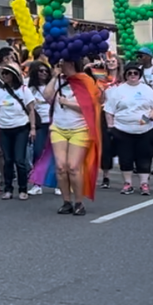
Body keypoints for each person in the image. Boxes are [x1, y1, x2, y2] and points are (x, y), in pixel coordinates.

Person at [41, 57, 102, 216]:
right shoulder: (58, 80)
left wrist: (67, 103)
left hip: (79, 128)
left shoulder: (85, 80)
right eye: (60, 63)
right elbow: (47, 96)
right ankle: (66, 202)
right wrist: (54, 76)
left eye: (65, 62)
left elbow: (90, 107)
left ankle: (79, 202)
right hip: (58, 128)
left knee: (73, 167)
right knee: (61, 167)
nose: (62, 65)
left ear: (73, 63)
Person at [103, 61, 153, 196]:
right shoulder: (118, 91)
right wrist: (110, 127)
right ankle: (127, 184)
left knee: (144, 156)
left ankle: (144, 184)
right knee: (125, 157)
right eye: (129, 73)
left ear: (139, 75)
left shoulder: (147, 89)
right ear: (125, 75)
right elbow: (109, 110)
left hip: (145, 130)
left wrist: (149, 118)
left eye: (135, 73)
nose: (133, 75)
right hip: (122, 130)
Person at [0, 63, 35, 200]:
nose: (4, 76)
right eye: (3, 74)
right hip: (4, 128)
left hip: (21, 127)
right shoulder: (0, 92)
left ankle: (23, 188)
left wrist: (32, 128)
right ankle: (8, 189)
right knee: (7, 160)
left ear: (14, 75)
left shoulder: (24, 90)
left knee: (20, 160)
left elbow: (31, 109)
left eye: (7, 73)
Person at [26, 60, 52, 195]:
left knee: (56, 154)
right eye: (40, 71)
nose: (43, 73)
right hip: (39, 123)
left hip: (54, 122)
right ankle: (37, 183)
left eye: (46, 71)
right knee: (38, 152)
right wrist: (32, 126)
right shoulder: (29, 88)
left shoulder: (53, 85)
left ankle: (59, 184)